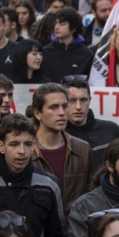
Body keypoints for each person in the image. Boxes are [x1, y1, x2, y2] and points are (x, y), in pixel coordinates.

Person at [31, 83, 93, 218]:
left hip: (74, 230)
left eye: (64, 106)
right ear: (37, 113)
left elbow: (90, 196)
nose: (61, 113)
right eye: (53, 107)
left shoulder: (83, 149)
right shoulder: (25, 150)